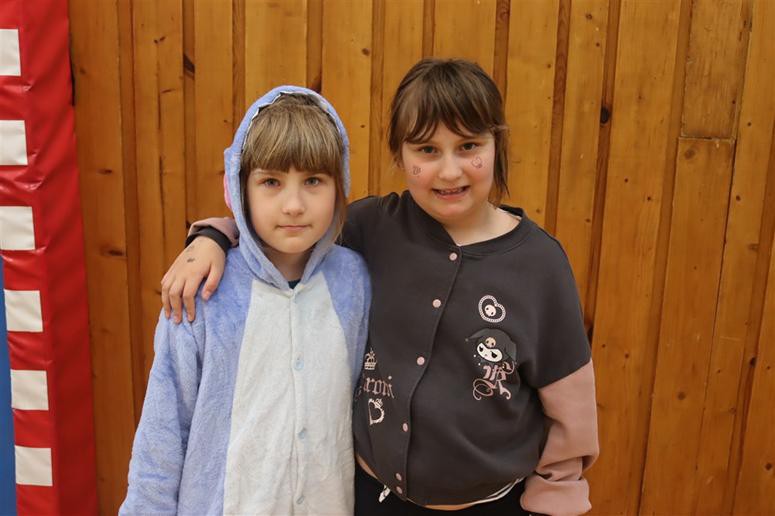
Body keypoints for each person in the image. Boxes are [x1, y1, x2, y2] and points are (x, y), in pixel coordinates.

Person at [162, 59, 598, 515]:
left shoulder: (540, 265)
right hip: (372, 499)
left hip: (491, 505)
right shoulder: (372, 228)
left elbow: (571, 416)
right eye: (427, 150)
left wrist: (555, 503)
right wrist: (214, 236)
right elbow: (285, 232)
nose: (450, 171)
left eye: (468, 145)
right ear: (399, 155)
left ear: (496, 144)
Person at [120, 87, 371, 515]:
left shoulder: (355, 282)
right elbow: (162, 435)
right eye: (271, 182)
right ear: (239, 189)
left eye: (313, 181)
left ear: (339, 184)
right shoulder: (202, 291)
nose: (294, 205)